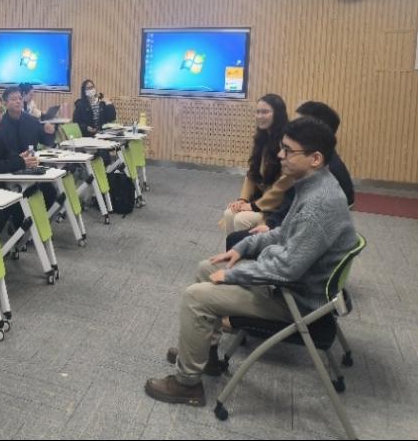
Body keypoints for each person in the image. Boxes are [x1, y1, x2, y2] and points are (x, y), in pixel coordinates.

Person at [144, 116, 359, 407]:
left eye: (288, 150)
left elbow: (287, 269)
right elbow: (283, 233)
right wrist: (243, 248)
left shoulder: (319, 205)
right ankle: (206, 357)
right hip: (288, 286)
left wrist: (233, 275)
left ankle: (187, 385)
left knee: (195, 297)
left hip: (293, 300)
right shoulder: (314, 185)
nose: (280, 155)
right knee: (206, 268)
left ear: (315, 158)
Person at [225, 101, 356, 249]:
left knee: (236, 236)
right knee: (232, 222)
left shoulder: (323, 173)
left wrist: (268, 223)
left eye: (265, 112)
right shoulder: (313, 160)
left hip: (292, 234)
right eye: (258, 112)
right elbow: (290, 199)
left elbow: (302, 237)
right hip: (282, 218)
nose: (281, 155)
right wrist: (246, 202)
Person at [221, 94, 291, 235]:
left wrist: (253, 206)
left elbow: (284, 186)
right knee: (229, 213)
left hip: (278, 207)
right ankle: (233, 248)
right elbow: (252, 174)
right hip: (261, 199)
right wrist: (242, 200)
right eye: (258, 112)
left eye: (265, 112)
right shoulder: (262, 138)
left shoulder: (286, 142)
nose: (259, 116)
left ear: (278, 114)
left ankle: (249, 248)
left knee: (241, 219)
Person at [0, 86, 56, 154]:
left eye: (20, 98)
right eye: (14, 99)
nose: (18, 101)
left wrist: (50, 133)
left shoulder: (32, 121)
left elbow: (47, 142)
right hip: (8, 160)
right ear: (5, 103)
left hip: (31, 159)